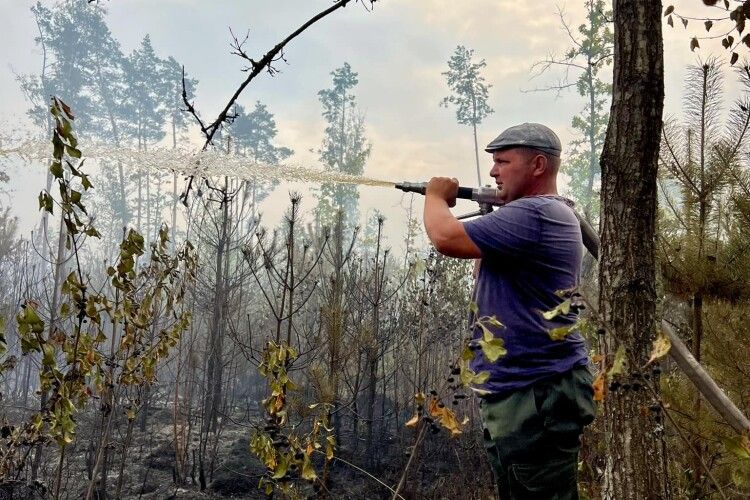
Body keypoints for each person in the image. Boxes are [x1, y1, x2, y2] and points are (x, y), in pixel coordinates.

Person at [422, 123, 595, 499]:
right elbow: (483, 266)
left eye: (503, 161)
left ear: (537, 166)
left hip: (535, 395)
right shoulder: (542, 214)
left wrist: (436, 195)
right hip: (524, 392)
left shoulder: (536, 213)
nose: (494, 171)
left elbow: (445, 237)